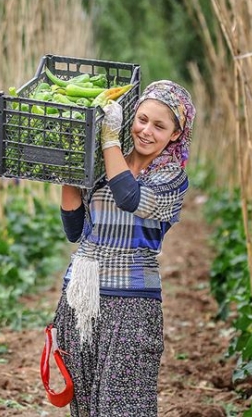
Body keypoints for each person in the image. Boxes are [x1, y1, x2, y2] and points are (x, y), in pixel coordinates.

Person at [54, 80, 195, 416]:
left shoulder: (171, 178)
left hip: (132, 305)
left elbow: (129, 197)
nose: (146, 131)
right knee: (85, 405)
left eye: (159, 126)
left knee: (124, 405)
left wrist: (108, 139)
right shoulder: (103, 164)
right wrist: (70, 170)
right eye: (142, 119)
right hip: (81, 299)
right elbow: (76, 231)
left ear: (175, 135)